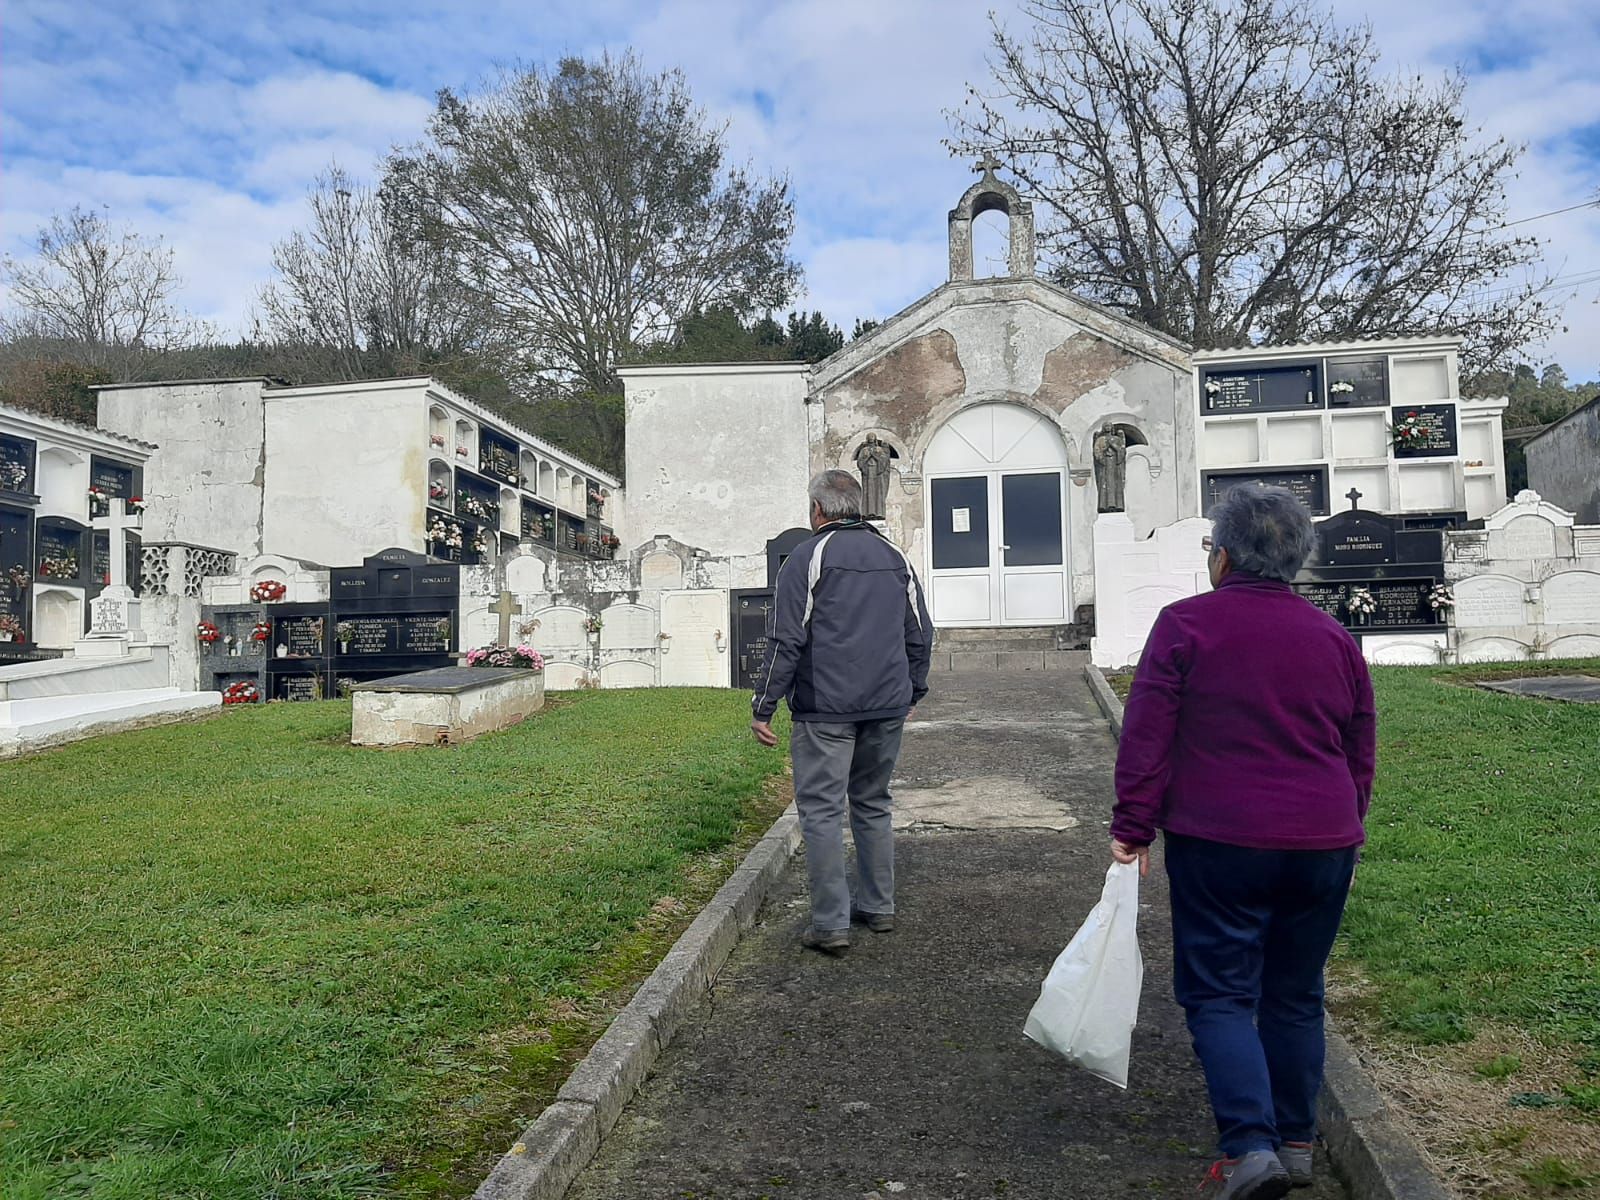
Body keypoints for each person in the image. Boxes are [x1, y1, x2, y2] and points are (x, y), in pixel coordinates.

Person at [1109, 485, 1376, 1200]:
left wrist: (1132, 824)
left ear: (1222, 555)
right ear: (1297, 558)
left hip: (1220, 836)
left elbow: (1148, 734)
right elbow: (1359, 746)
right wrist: (1351, 823)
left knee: (1220, 993)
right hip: (1323, 838)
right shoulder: (1334, 638)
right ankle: (1294, 1144)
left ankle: (1247, 1148)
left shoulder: (1185, 626)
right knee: (1294, 993)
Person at [750, 469, 933, 954]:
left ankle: (830, 924)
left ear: (817, 510)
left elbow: (786, 639)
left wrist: (763, 706)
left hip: (824, 709)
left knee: (823, 811)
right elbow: (920, 631)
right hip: (886, 704)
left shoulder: (806, 557)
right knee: (873, 802)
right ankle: (878, 906)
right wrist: (911, 692)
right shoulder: (894, 556)